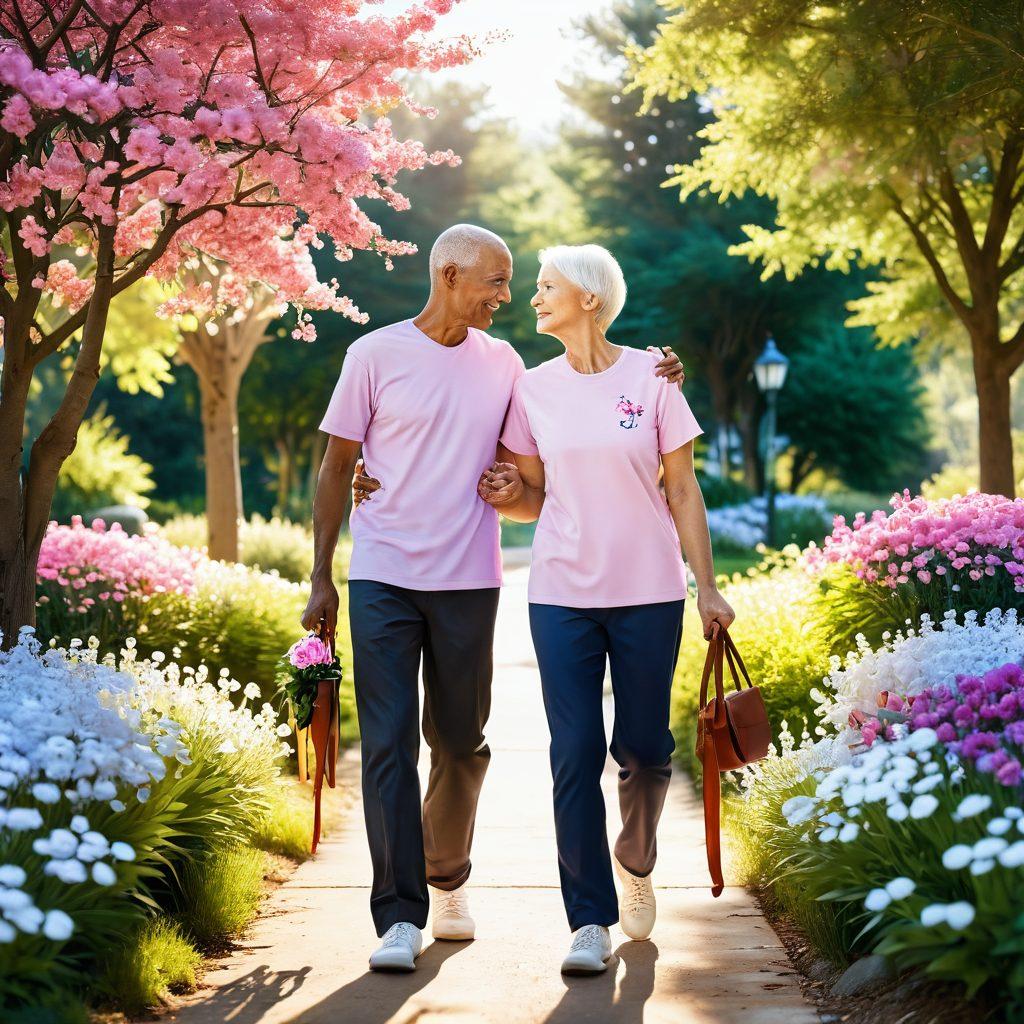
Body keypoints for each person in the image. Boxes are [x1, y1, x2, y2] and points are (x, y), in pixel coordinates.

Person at [302, 224, 685, 973]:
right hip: (380, 574)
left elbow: (557, 431)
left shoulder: (508, 365)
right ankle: (399, 915)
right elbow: (336, 462)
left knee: (460, 743)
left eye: (517, 283)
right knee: (386, 744)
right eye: (496, 282)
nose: (508, 297)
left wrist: (657, 369)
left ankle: (447, 878)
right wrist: (323, 572)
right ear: (449, 274)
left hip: (470, 578)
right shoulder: (373, 355)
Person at [478, 244, 735, 976]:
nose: (533, 299)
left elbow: (682, 489)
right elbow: (530, 496)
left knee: (645, 749)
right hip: (561, 592)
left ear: (589, 298)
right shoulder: (530, 389)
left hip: (650, 589)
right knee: (574, 753)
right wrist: (507, 497)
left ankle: (639, 850)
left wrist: (706, 586)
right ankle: (588, 918)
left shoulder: (653, 376)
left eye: (546, 287)